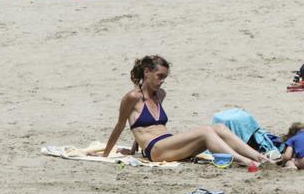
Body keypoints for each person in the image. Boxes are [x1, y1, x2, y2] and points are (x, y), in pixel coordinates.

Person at [94, 55, 269, 167]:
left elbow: (139, 127)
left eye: (165, 77)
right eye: (159, 76)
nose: (162, 81)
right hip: (155, 150)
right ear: (147, 72)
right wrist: (105, 154)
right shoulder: (132, 97)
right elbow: (122, 125)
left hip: (169, 143)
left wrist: (133, 150)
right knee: (206, 131)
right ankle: (246, 161)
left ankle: (261, 158)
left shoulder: (159, 94)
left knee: (220, 128)